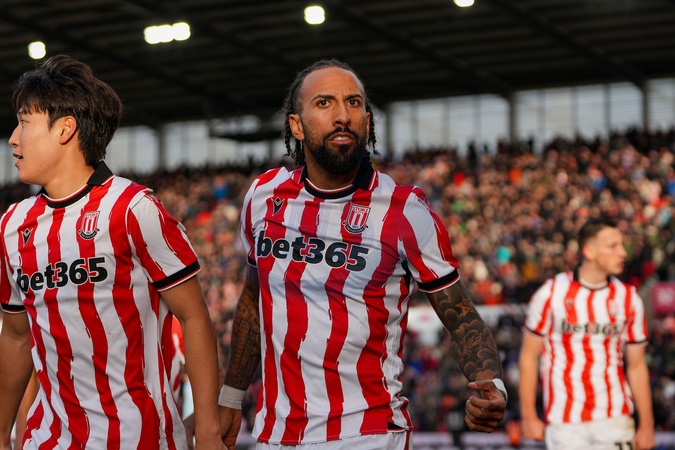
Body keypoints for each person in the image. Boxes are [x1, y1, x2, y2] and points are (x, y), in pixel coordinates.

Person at [218, 59, 507, 449]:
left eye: (354, 103)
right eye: (324, 103)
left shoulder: (405, 210)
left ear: (367, 122)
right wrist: (231, 397)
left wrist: (491, 383)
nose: (343, 115)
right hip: (276, 435)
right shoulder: (262, 197)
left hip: (369, 434)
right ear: (296, 126)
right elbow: (254, 301)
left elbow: (460, 314)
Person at [0, 54, 224, 450]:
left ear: (65, 129)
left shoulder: (133, 208)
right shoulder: (13, 224)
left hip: (139, 438)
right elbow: (17, 338)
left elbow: (193, 317)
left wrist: (207, 429)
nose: (13, 138)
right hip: (48, 440)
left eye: (24, 121)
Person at [519, 216, 655, 450]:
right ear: (589, 251)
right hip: (564, 421)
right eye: (613, 246)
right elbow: (529, 357)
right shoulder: (550, 293)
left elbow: (637, 365)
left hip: (615, 417)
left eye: (621, 245)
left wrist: (647, 424)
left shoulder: (629, 298)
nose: (622, 252)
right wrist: (528, 416)